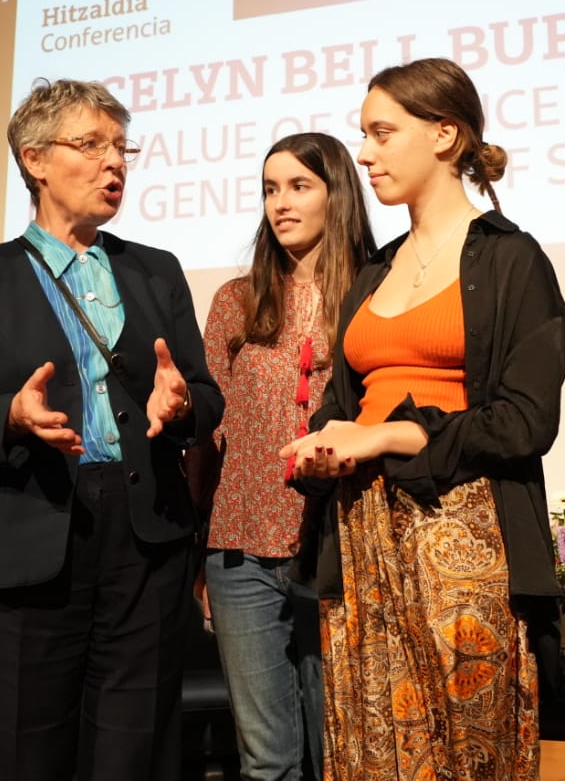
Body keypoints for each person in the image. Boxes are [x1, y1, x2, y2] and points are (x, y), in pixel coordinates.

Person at [0, 78, 223, 781]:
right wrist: (9, 417)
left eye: (122, 148)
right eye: (91, 145)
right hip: (27, 532)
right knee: (22, 746)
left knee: (134, 744)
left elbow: (204, 396)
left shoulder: (155, 271)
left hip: (144, 538)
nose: (114, 163)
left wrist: (182, 408)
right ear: (35, 159)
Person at [280, 58, 565, 780]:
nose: (365, 154)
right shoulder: (374, 271)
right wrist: (324, 444)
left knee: (466, 752)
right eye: (364, 135)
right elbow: (343, 406)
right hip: (361, 531)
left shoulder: (511, 260)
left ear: (445, 135)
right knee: (372, 752)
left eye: (381, 133)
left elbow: (525, 420)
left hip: (462, 528)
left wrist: (390, 434)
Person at [196, 132, 376, 781]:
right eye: (271, 189)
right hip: (239, 552)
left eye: (299, 186)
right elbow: (209, 433)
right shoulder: (236, 301)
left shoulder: (375, 295)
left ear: (337, 195)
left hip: (334, 547)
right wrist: (198, 551)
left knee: (341, 752)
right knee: (265, 761)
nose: (281, 203)